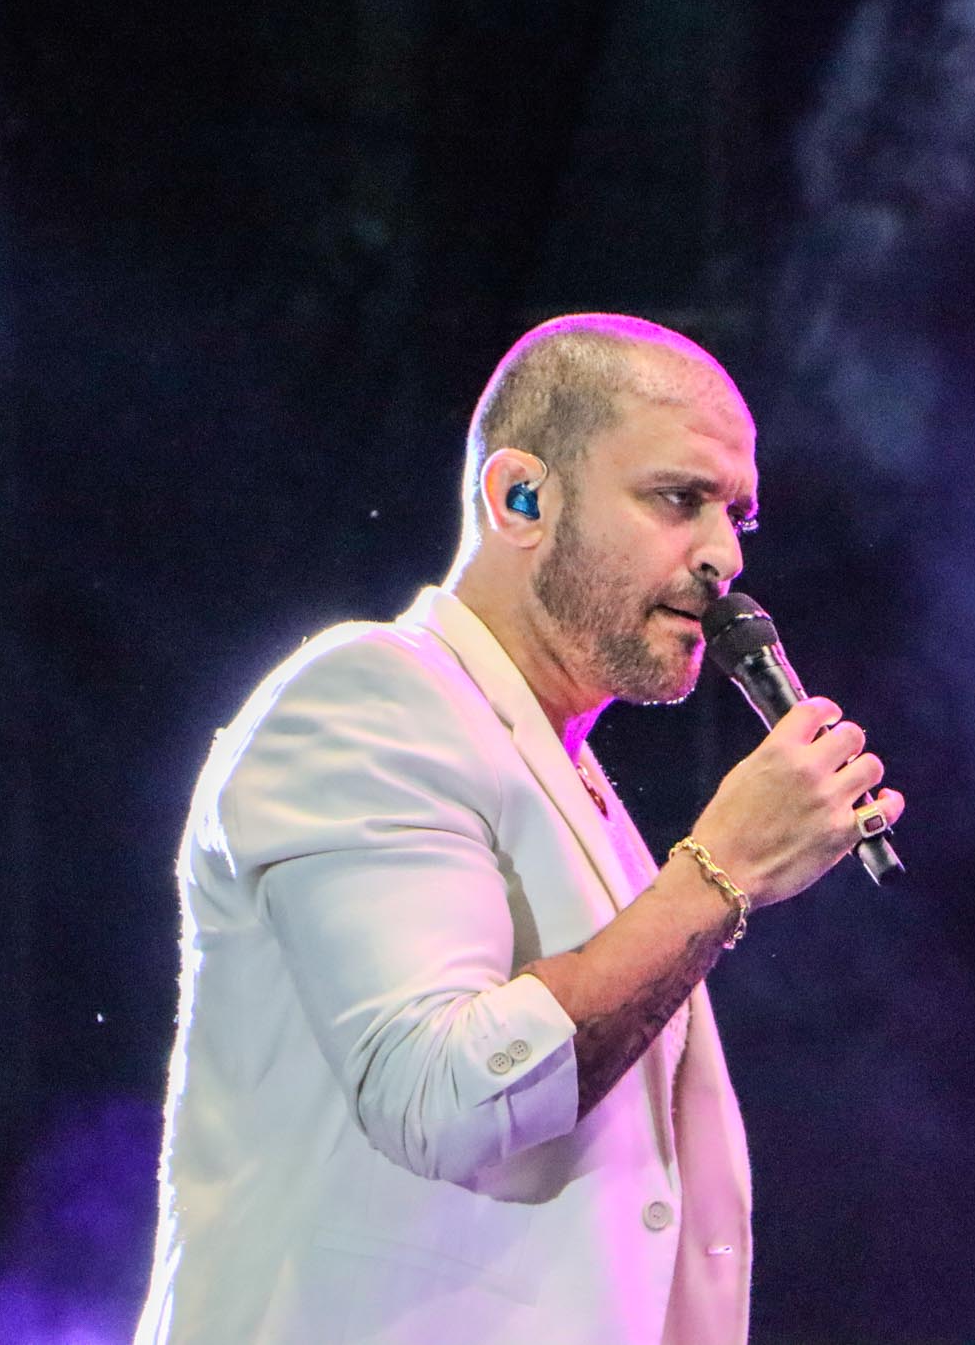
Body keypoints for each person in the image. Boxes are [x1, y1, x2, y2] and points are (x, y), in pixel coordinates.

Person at [133, 314, 905, 1345]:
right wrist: (721, 872)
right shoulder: (367, 697)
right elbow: (440, 1096)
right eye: (678, 499)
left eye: (737, 516)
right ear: (521, 498)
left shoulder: (573, 784)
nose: (723, 556)